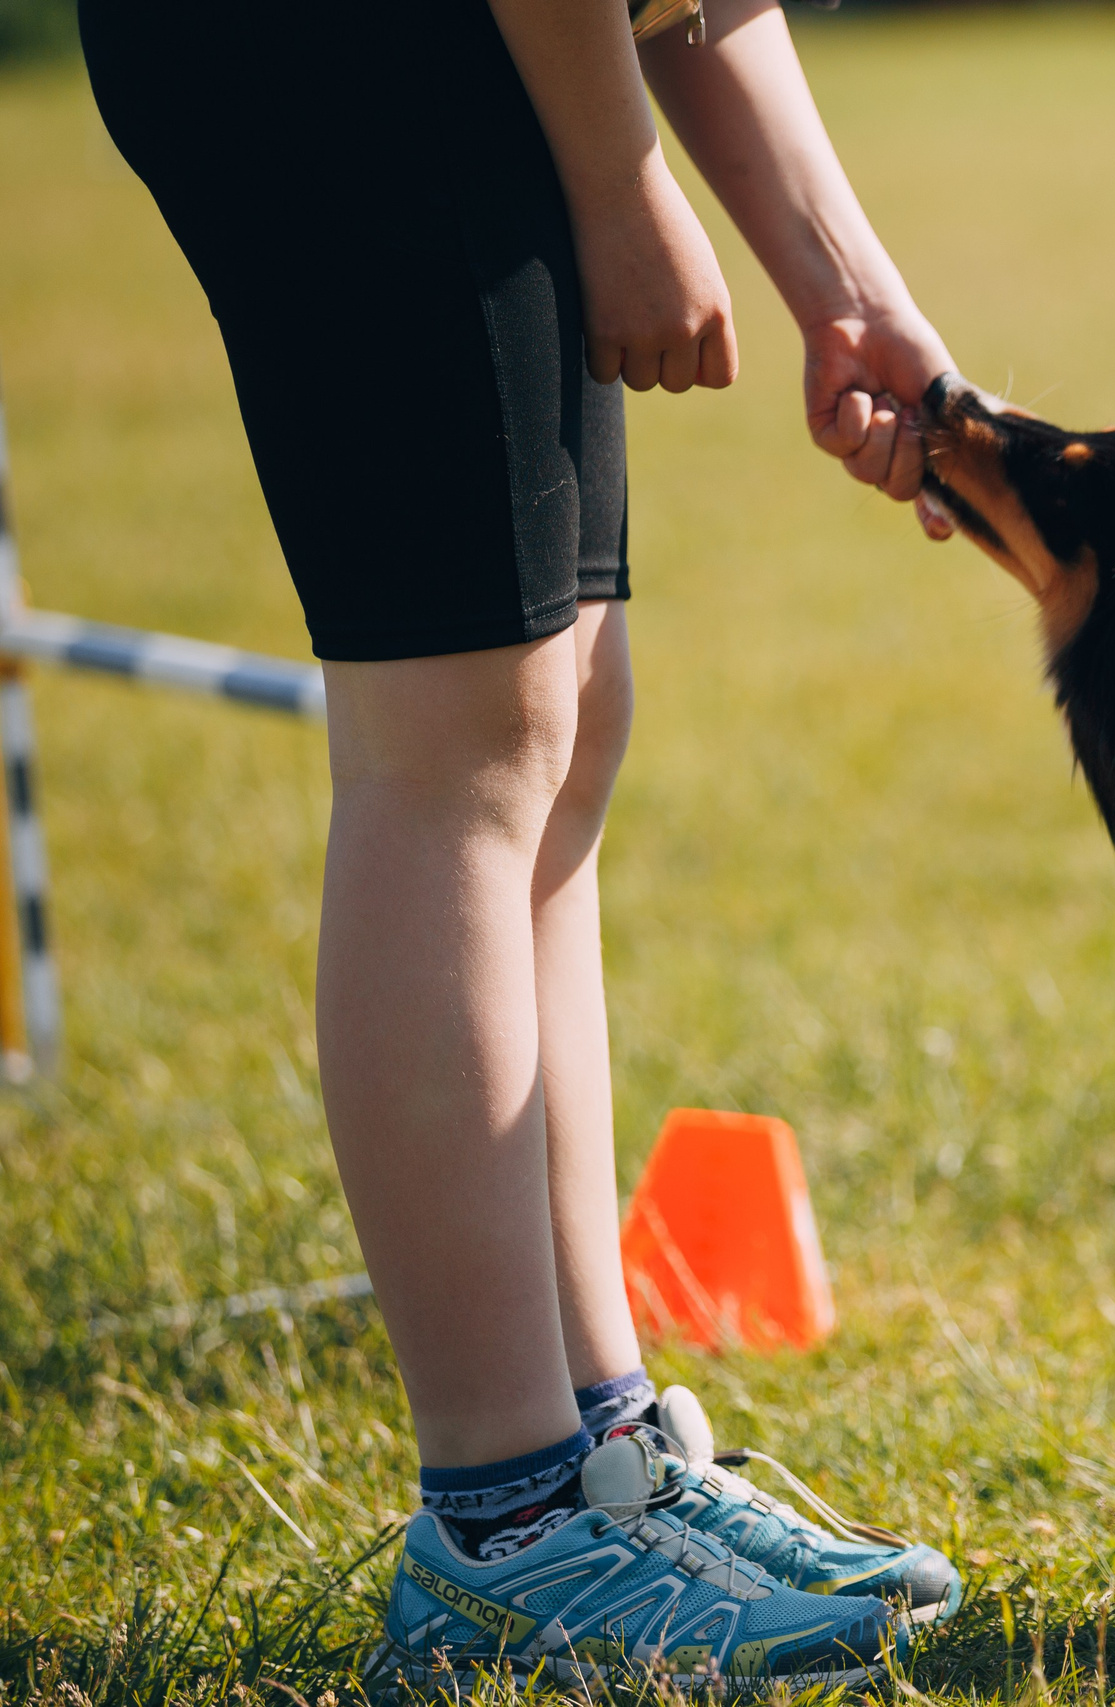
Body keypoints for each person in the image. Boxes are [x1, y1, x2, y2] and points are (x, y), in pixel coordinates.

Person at [78, 0, 957, 1682]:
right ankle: (508, 1523)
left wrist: (845, 286)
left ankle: (602, 1455)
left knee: (562, 709)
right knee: (458, 746)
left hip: (486, 50)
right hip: (346, 48)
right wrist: (623, 182)